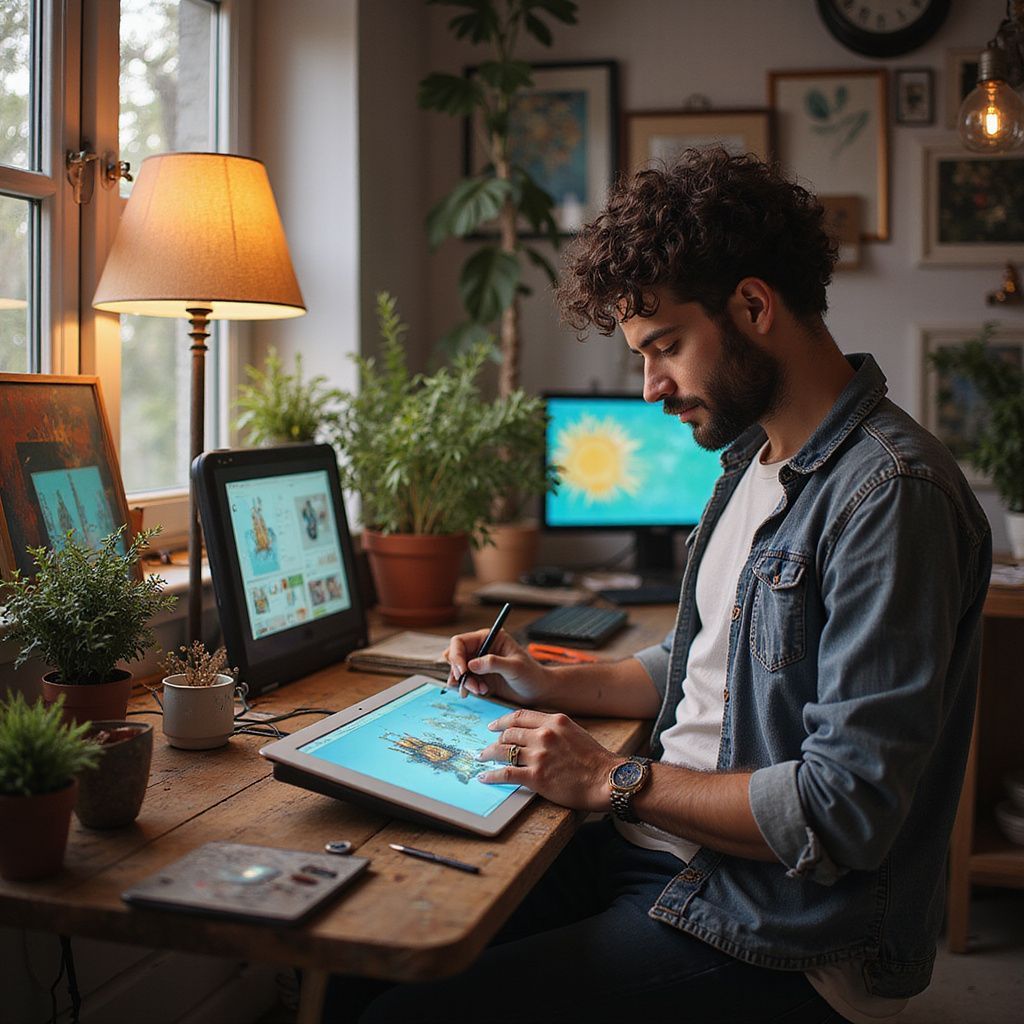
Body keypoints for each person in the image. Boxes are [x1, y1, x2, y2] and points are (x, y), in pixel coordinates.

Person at [356, 149, 992, 1024]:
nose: (652, 387)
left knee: (402, 1015)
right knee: (371, 947)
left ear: (754, 306)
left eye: (664, 348)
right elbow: (701, 663)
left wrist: (610, 778)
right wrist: (544, 680)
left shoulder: (891, 495)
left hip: (782, 929)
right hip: (663, 855)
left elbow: (842, 812)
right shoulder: (754, 461)